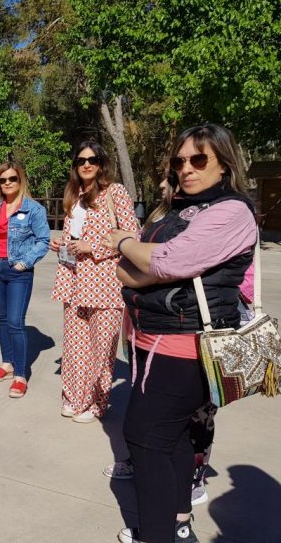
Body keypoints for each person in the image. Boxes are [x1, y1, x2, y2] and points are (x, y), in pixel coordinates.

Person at [105, 124, 256, 543]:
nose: (186, 169)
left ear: (224, 163)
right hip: (153, 335)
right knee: (168, 438)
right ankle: (174, 523)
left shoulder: (232, 211)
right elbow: (135, 268)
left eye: (198, 159)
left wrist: (122, 243)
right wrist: (138, 261)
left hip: (184, 346)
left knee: (144, 438)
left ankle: (158, 534)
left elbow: (169, 260)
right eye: (179, 161)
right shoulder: (181, 209)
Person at [49, 142, 138, 422]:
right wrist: (63, 245)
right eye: (81, 160)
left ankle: (97, 403)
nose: (86, 164)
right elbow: (74, 236)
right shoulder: (74, 194)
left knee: (102, 348)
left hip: (104, 283)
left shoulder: (115, 192)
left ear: (101, 163)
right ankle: (74, 397)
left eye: (93, 159)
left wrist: (94, 247)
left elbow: (132, 235)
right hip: (74, 280)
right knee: (75, 346)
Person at [0, 160, 50, 398]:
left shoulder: (34, 209)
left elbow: (43, 241)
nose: (7, 183)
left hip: (18, 271)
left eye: (12, 179)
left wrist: (24, 263)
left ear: (20, 180)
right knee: (3, 317)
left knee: (16, 321)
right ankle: (7, 363)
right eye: (3, 179)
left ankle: (20, 374)